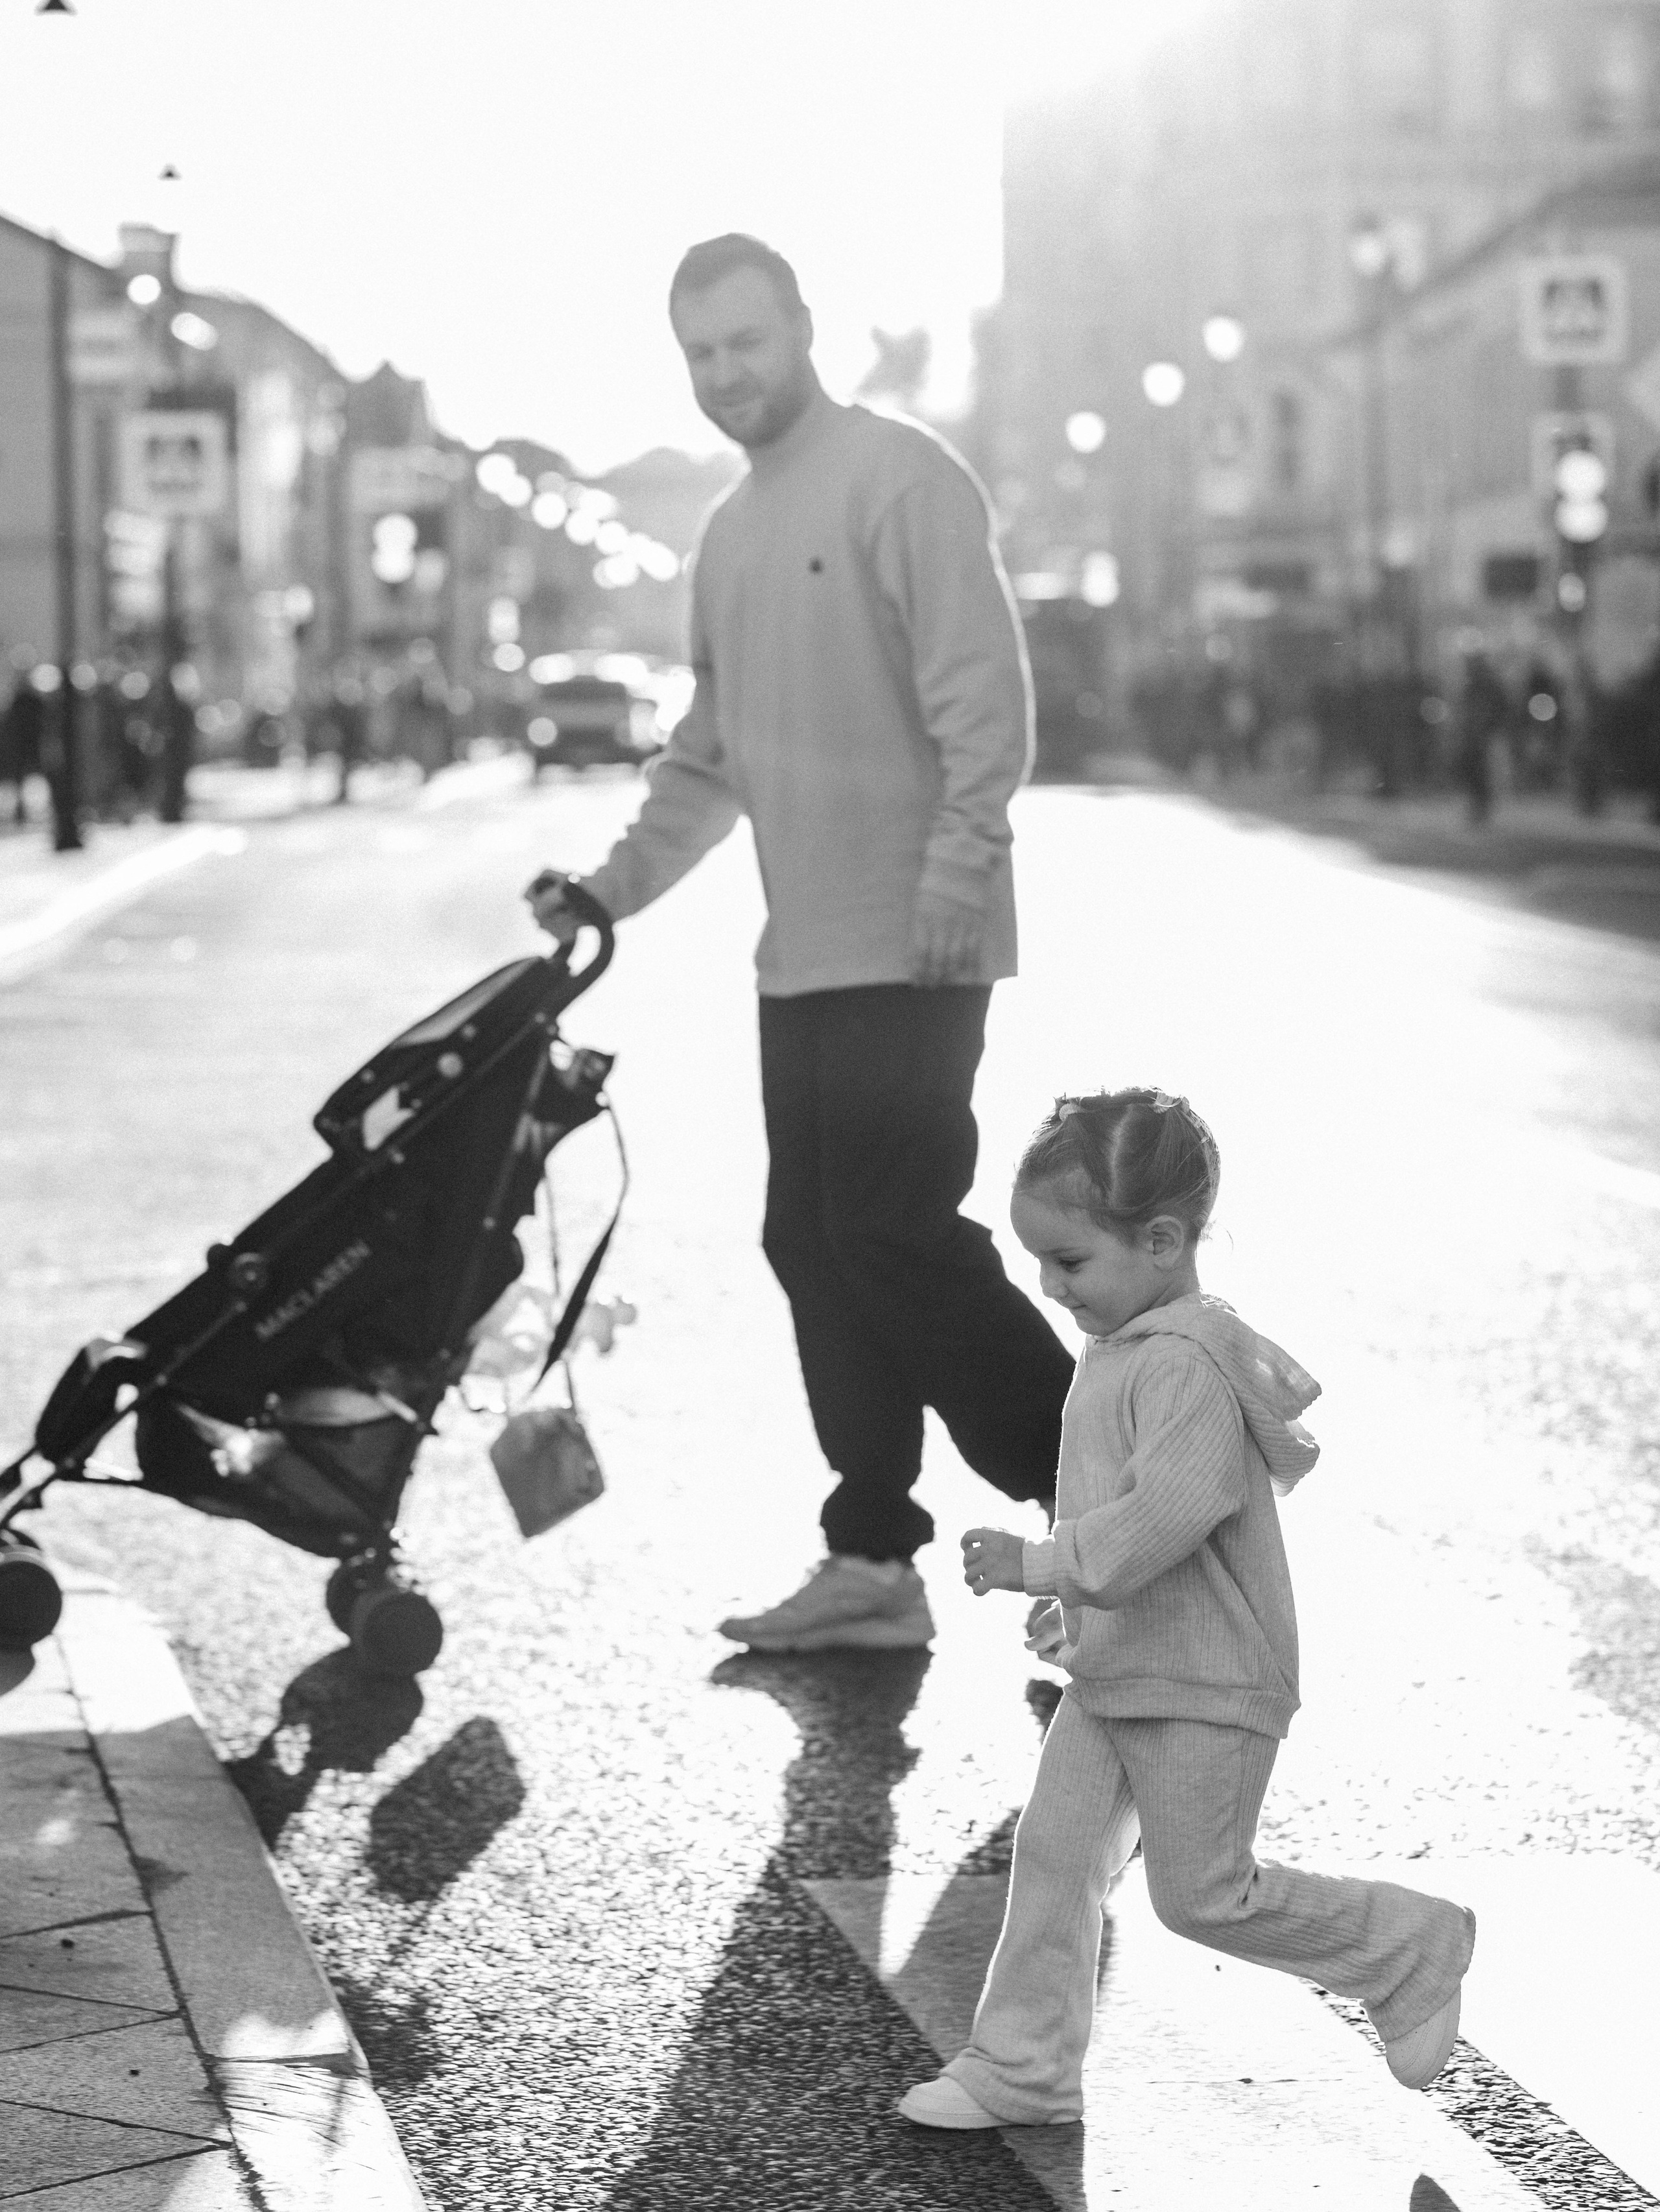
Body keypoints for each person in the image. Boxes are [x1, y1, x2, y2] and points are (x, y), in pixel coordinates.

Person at [528, 233, 1074, 1653]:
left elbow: (983, 697)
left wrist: (962, 866)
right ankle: (873, 1561)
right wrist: (605, 892)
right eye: (701, 353)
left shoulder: (900, 476)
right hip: (805, 957)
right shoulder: (729, 534)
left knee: (892, 1233)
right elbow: (705, 759)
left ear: (802, 329)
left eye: (746, 341)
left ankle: (1108, 1508)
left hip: (919, 936)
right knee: (814, 1242)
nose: (726, 373)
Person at [899, 1088, 1475, 2130]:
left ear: (1161, 1241)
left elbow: (1166, 1516)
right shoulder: (1128, 1343)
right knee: (1056, 1859)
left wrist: (1044, 1566)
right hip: (1124, 1669)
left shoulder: (1183, 1363)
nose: (1049, 1286)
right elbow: (1117, 1508)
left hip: (1210, 1683)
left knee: (1204, 1895)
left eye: (1069, 1261)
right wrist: (1077, 1613)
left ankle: (1407, 1948)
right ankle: (1021, 2070)